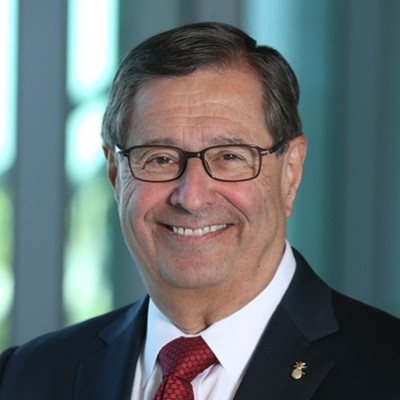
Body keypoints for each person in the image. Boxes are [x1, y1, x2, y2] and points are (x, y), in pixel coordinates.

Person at [0, 22, 399, 400]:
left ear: (290, 172)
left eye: (229, 156)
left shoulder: (387, 369)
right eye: (159, 159)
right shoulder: (24, 377)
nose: (190, 198)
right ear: (116, 175)